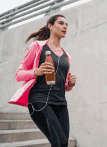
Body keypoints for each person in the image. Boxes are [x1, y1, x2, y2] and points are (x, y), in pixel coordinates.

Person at [16, 14, 76, 147]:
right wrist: (36, 71)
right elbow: (18, 74)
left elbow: (63, 85)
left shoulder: (67, 56)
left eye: (66, 25)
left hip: (61, 103)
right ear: (50, 26)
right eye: (61, 23)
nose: (65, 26)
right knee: (61, 143)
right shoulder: (38, 47)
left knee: (62, 144)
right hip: (40, 101)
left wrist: (70, 84)